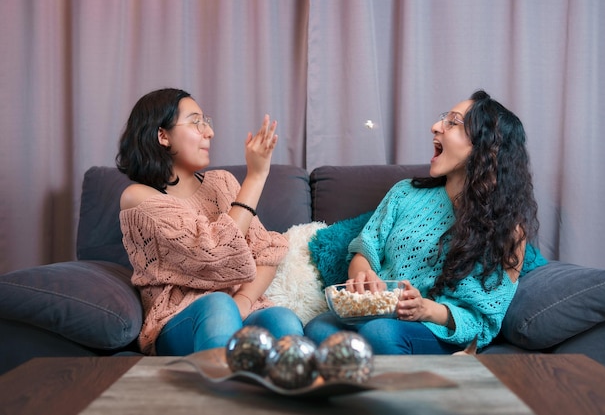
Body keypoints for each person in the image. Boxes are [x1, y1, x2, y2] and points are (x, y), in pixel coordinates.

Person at [304, 90, 547, 354]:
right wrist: (364, 276)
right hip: (376, 314)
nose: (435, 127)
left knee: (380, 333)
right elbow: (366, 248)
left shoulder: (508, 231)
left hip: (435, 327)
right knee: (319, 327)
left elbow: (484, 318)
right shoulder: (405, 192)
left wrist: (427, 310)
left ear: (486, 146)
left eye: (453, 123)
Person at [116, 88, 303, 356]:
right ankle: (220, 395)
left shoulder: (222, 183)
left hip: (242, 308)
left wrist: (242, 300)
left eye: (207, 122)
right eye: (195, 122)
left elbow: (267, 254)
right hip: (178, 320)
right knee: (217, 305)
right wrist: (256, 177)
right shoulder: (139, 199)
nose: (209, 132)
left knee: (282, 320)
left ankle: (286, 395)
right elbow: (213, 254)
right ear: (162, 135)